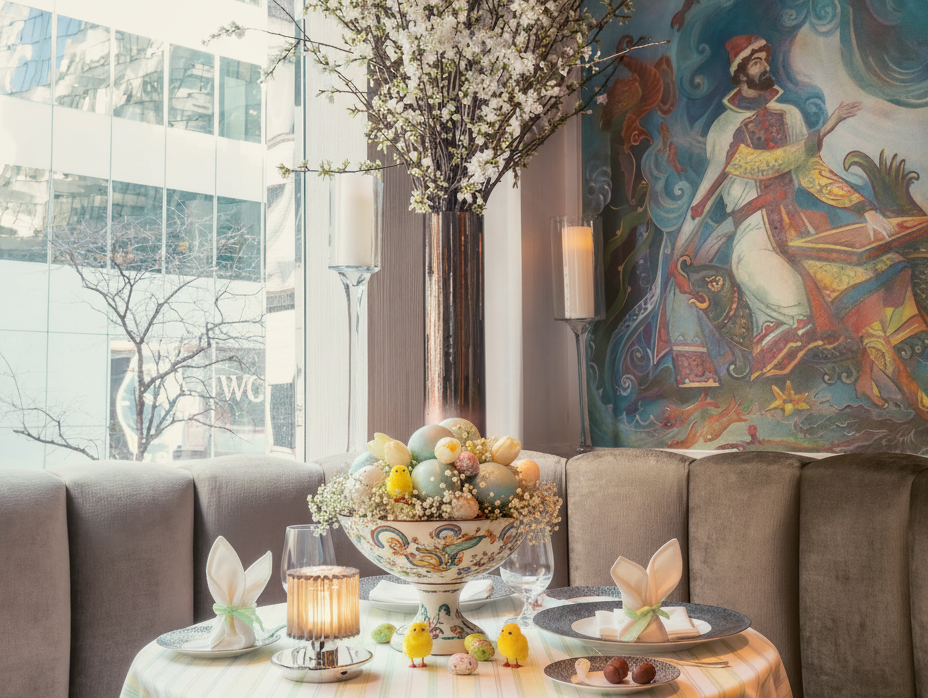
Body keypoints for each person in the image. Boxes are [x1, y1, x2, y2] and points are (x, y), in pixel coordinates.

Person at [670, 35, 928, 416]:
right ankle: (885, 379)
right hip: (753, 236)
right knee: (808, 299)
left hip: (801, 226)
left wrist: (863, 208)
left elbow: (810, 172)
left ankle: (902, 387)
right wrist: (821, 133)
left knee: (862, 279)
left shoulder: (789, 115)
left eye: (765, 59)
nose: (763, 66)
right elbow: (758, 166)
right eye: (755, 62)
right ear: (739, 72)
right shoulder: (725, 128)